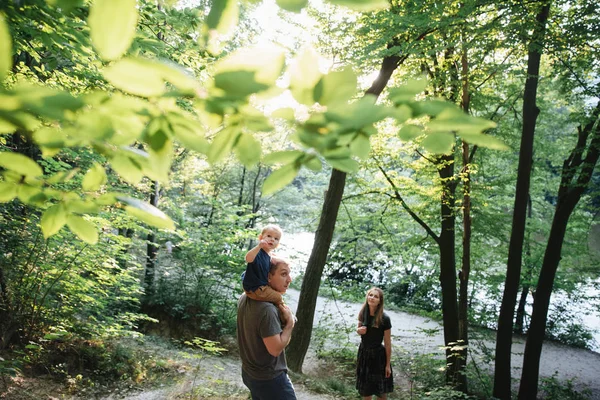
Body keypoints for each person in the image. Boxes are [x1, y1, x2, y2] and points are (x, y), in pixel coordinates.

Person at [237, 259, 297, 400]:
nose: (289, 279)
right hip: (269, 380)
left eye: (289, 273)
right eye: (283, 274)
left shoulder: (244, 297)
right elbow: (275, 349)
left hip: (249, 373)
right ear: (268, 276)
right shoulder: (267, 309)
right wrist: (289, 325)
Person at [356, 287, 394, 400]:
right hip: (364, 354)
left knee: (381, 393)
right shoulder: (363, 313)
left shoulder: (384, 318)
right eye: (370, 295)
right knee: (366, 392)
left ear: (379, 301)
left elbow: (388, 343)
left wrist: (387, 365)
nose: (372, 298)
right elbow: (358, 328)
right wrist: (358, 331)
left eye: (375, 296)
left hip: (378, 357)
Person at [243, 224, 284, 307]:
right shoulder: (258, 251)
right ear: (261, 238)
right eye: (269, 236)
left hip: (260, 286)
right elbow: (248, 258)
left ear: (278, 244)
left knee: (277, 292)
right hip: (255, 288)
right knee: (278, 297)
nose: (272, 240)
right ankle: (286, 315)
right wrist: (259, 246)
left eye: (276, 239)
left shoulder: (269, 255)